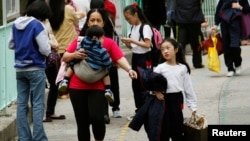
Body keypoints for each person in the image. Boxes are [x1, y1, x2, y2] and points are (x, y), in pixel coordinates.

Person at [61, 8, 137, 141]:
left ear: (103, 23)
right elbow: (65, 57)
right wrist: (75, 54)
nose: (95, 22)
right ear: (88, 23)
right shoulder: (79, 41)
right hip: (76, 87)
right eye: (92, 20)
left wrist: (129, 69)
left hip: (97, 87)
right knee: (82, 122)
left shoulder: (108, 42)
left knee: (97, 119)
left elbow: (120, 58)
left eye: (98, 20)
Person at [8, 0, 51, 140]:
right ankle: (39, 137)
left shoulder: (15, 23)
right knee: (38, 104)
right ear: (42, 14)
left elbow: (11, 44)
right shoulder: (37, 25)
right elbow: (45, 49)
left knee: (21, 104)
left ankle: (24, 138)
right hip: (36, 68)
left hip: (20, 69)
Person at [148, 38, 197, 140]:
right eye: (162, 49)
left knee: (177, 130)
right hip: (162, 101)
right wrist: (156, 92)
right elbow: (149, 84)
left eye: (168, 48)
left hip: (176, 100)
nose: (165, 51)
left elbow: (188, 89)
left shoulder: (182, 68)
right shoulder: (160, 68)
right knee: (163, 131)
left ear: (176, 49)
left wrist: (193, 107)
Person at [58, 25, 114, 103]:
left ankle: (65, 80)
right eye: (102, 38)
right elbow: (108, 63)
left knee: (72, 65)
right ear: (95, 38)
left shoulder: (83, 42)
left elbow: (78, 49)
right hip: (96, 75)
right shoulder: (102, 51)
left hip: (80, 72)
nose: (103, 40)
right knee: (106, 72)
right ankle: (108, 90)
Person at [121, 3, 153, 121]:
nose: (128, 21)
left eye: (128, 18)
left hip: (144, 58)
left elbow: (147, 44)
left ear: (135, 14)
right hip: (136, 57)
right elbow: (132, 47)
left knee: (143, 84)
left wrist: (132, 40)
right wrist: (127, 43)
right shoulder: (132, 28)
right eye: (126, 19)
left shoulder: (145, 27)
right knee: (135, 85)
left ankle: (145, 110)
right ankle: (139, 110)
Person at [49, 0, 84, 99]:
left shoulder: (48, 12)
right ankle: (70, 90)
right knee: (70, 69)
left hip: (56, 47)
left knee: (58, 71)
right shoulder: (68, 9)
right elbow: (76, 20)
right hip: (69, 47)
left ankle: (61, 92)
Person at [212, 0, 246, 77]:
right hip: (225, 24)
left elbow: (247, 9)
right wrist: (216, 24)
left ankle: (238, 63)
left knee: (235, 46)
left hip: (236, 23)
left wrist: (239, 7)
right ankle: (230, 68)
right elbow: (218, 10)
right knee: (226, 46)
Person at [174, 0, 205, 69]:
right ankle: (197, 63)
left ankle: (180, 62)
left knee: (181, 42)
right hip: (194, 18)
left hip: (181, 18)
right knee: (195, 42)